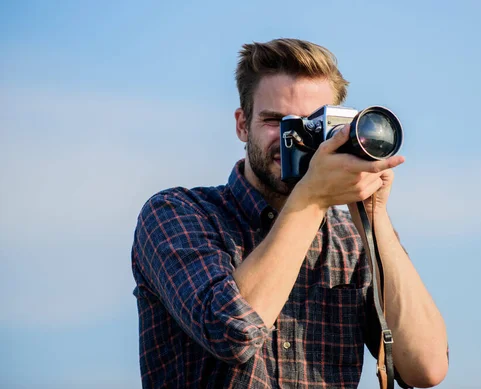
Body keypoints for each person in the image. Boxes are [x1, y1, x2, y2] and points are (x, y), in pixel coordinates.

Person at [131, 38, 448, 389]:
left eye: (311, 126)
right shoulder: (178, 215)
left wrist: (373, 218)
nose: (292, 138)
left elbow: (426, 367)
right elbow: (233, 332)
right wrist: (310, 199)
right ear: (242, 124)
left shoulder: (350, 240)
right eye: (275, 121)